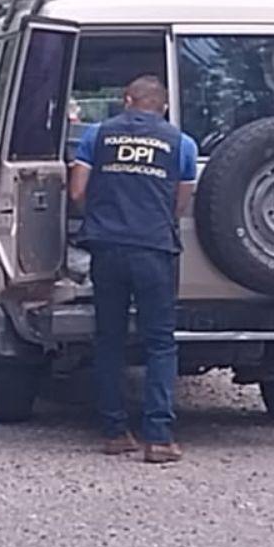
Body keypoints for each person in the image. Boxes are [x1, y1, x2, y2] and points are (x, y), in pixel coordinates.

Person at [68, 74, 198, 464]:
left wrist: (102, 217)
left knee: (109, 339)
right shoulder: (182, 143)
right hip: (154, 249)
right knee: (159, 342)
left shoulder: (97, 135)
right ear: (164, 107)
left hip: (107, 248)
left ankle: (114, 432)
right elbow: (181, 202)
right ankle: (158, 438)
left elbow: (77, 192)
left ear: (127, 100)